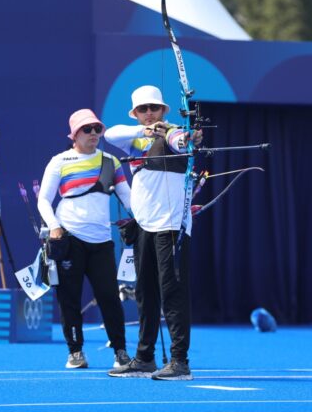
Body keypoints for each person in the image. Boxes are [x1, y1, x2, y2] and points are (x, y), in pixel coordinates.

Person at [104, 85, 202, 381]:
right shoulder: (135, 140)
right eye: (143, 109)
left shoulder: (174, 134)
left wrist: (181, 135)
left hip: (171, 226)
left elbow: (182, 141)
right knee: (145, 293)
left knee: (172, 292)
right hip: (144, 224)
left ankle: (179, 361)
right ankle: (145, 357)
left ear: (163, 110)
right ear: (136, 114)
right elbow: (110, 134)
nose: (149, 114)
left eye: (154, 108)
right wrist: (146, 131)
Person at [37, 108, 132, 369]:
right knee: (69, 298)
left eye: (97, 129)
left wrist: (151, 218)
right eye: (86, 129)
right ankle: (75, 352)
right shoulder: (60, 161)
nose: (93, 134)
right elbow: (43, 200)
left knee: (109, 297)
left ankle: (121, 352)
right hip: (69, 238)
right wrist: (54, 227)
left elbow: (129, 198)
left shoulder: (110, 161)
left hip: (101, 241)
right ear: (74, 135)